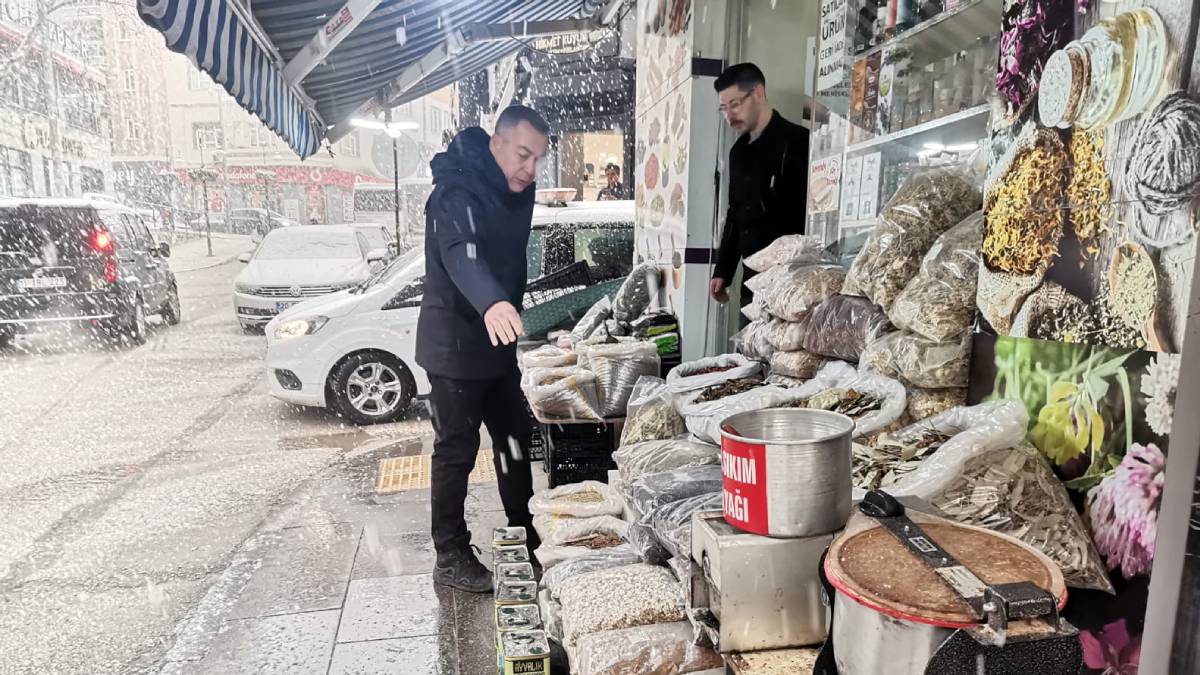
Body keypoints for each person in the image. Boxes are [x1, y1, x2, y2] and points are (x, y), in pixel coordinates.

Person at [417, 105, 550, 593]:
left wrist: (510, 309)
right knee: (456, 450)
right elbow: (462, 252)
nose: (530, 169)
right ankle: (449, 553)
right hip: (453, 347)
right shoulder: (455, 192)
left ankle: (524, 529)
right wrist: (492, 300)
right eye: (522, 155)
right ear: (496, 143)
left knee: (514, 439)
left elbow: (504, 253)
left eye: (538, 159)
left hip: (497, 345)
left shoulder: (518, 187)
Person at [709, 63, 809, 322]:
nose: (729, 116)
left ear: (758, 94)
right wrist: (723, 270)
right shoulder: (738, 153)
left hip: (793, 284)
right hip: (751, 285)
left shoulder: (799, 142)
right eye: (724, 108)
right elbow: (735, 212)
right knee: (747, 357)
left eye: (735, 104)